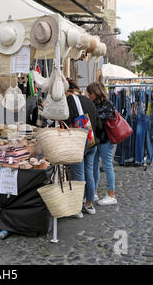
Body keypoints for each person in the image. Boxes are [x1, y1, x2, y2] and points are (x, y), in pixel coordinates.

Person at [65, 79, 100, 217]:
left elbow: (67, 122)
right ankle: (89, 205)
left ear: (67, 91)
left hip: (78, 144)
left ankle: (77, 208)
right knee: (89, 173)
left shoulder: (70, 101)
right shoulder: (88, 100)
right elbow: (97, 122)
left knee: (78, 175)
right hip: (92, 143)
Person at [86, 82, 117, 206]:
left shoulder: (108, 104)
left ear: (95, 93)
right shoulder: (94, 104)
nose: (88, 96)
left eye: (90, 94)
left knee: (107, 165)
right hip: (96, 139)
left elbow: (101, 121)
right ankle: (94, 192)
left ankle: (112, 194)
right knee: (94, 165)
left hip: (106, 140)